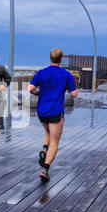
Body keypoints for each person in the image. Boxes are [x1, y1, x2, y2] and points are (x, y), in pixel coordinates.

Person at [28, 48, 78, 181]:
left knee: (48, 132)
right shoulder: (67, 75)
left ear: (50, 58)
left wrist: (40, 93)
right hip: (56, 112)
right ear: (61, 59)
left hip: (42, 111)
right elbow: (74, 94)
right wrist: (68, 88)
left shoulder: (41, 72)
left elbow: (31, 88)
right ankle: (45, 169)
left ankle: (44, 149)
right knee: (55, 142)